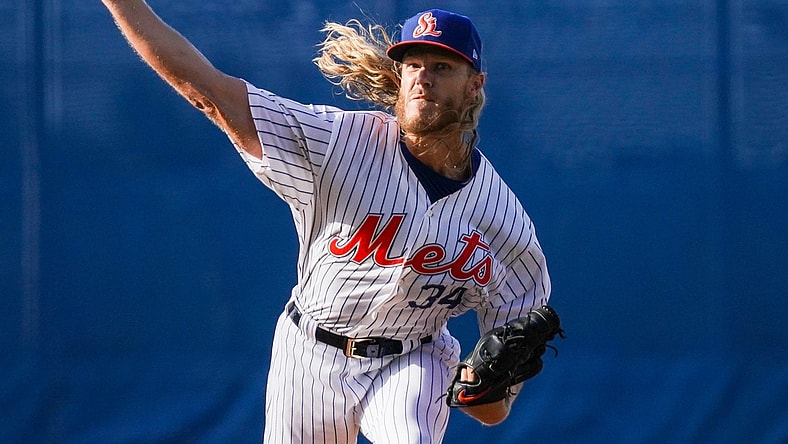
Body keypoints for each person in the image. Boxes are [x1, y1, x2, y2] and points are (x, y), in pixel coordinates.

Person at [102, 2, 552, 442]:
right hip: (309, 351)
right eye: (412, 64)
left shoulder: (503, 222)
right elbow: (212, 93)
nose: (423, 78)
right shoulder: (339, 143)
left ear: (475, 85)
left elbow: (491, 412)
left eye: (442, 66)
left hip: (413, 358)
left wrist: (484, 387)